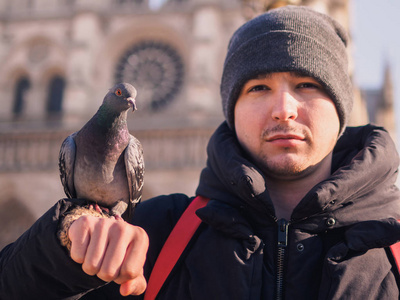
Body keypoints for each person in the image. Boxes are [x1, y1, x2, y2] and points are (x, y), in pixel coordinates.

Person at [1, 5, 400, 299]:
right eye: (257, 88)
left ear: (343, 107)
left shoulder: (392, 245)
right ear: (230, 110)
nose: (284, 109)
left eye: (307, 86)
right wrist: (62, 246)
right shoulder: (156, 232)